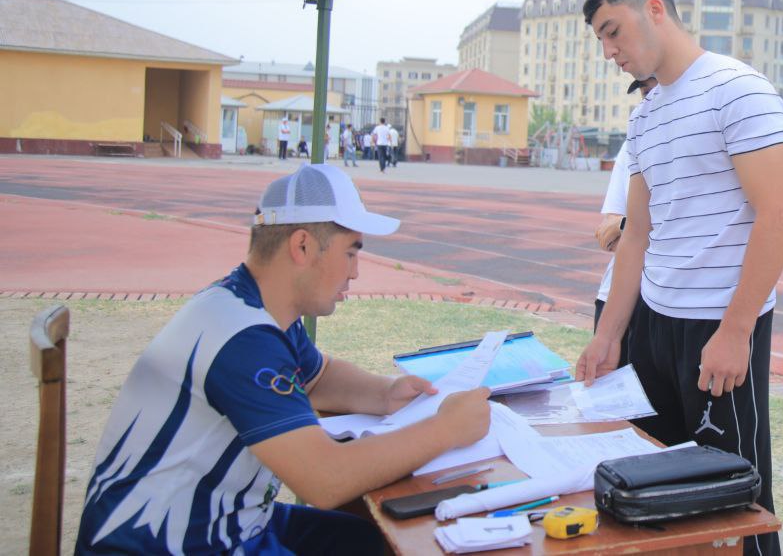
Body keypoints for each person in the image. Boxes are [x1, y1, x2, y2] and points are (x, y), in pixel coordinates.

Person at [76, 164, 491, 554]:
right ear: (303, 246)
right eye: (351, 253)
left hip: (227, 520)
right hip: (172, 544)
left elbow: (318, 377)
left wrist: (385, 393)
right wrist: (446, 429)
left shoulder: (252, 307)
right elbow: (325, 480)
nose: (355, 272)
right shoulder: (244, 341)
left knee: (370, 540)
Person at [576, 0, 783, 556]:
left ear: (654, 10)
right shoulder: (645, 115)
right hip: (654, 327)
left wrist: (736, 331)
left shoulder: (739, 90)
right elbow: (637, 238)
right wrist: (609, 336)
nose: (609, 51)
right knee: (655, 499)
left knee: (732, 507)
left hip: (717, 328)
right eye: (600, 39)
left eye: (613, 31)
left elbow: (777, 217)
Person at [592, 75, 659, 364]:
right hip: (616, 298)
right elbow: (608, 233)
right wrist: (631, 227)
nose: (651, 99)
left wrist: (630, 226)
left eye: (657, 89)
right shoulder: (634, 142)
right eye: (645, 92)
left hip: (669, 305)